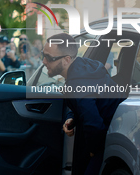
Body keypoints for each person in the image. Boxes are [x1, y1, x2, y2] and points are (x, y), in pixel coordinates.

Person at [42, 33, 125, 175]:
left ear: (67, 59)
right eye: (43, 55)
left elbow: (93, 123)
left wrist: (93, 150)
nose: (44, 61)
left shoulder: (78, 83)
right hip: (115, 132)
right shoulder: (84, 67)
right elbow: (89, 105)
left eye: (49, 58)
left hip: (108, 138)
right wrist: (71, 118)